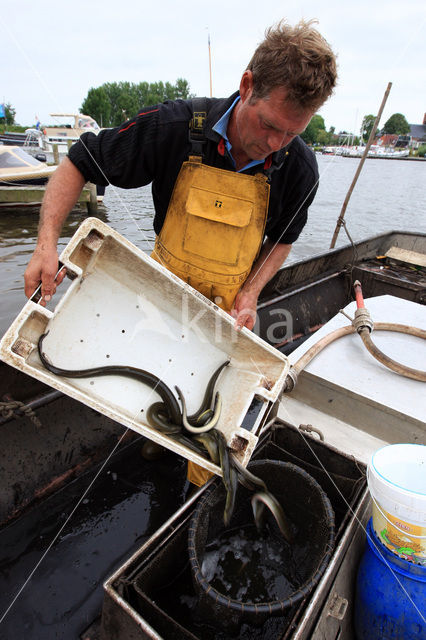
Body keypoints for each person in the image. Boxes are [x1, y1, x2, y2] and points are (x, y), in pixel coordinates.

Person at [24, 19, 337, 484]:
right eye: (269, 125)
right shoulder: (175, 126)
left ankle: (196, 489)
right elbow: (79, 161)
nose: (275, 143)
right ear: (247, 85)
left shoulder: (301, 169)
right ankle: (152, 445)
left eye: (291, 134)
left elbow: (283, 240)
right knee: (149, 401)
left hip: (227, 312)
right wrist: (45, 245)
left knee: (207, 434)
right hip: (160, 292)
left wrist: (250, 293)